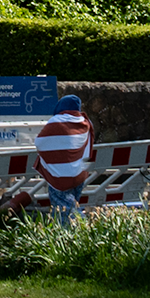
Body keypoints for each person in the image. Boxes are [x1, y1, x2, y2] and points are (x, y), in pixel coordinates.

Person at [35, 93, 93, 222]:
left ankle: (80, 227)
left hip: (60, 176)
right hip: (80, 174)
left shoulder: (56, 122)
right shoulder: (85, 122)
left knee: (65, 209)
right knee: (71, 204)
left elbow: (39, 142)